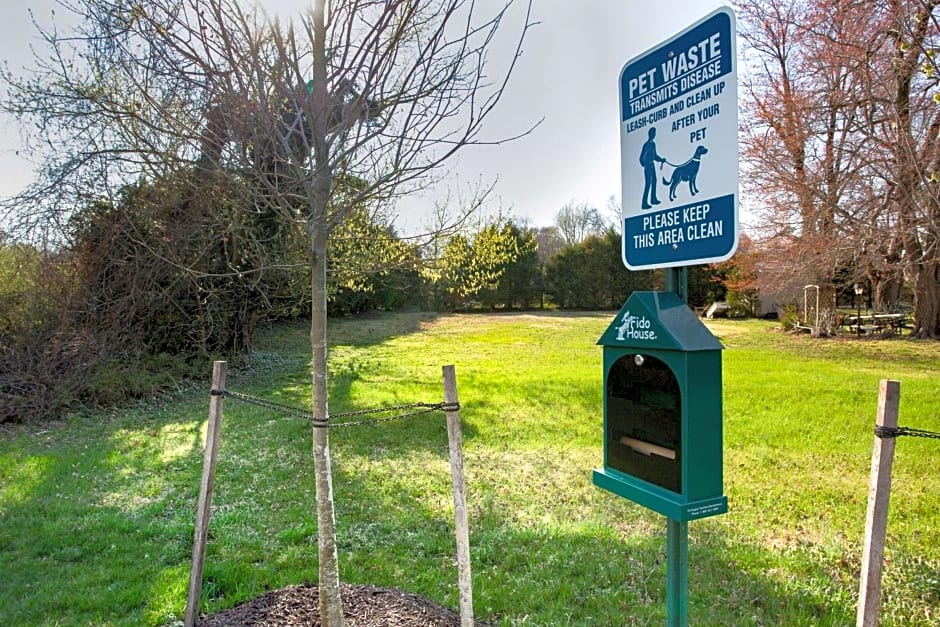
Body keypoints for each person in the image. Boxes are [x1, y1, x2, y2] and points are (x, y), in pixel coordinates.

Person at [639, 127, 666, 209]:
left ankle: (653, 199)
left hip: (652, 165)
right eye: (652, 133)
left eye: (654, 133)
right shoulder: (646, 145)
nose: (654, 135)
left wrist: (661, 159)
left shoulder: (653, 144)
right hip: (648, 167)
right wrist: (644, 164)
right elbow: (641, 158)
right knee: (648, 184)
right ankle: (644, 203)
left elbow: (655, 156)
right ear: (649, 134)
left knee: (654, 181)